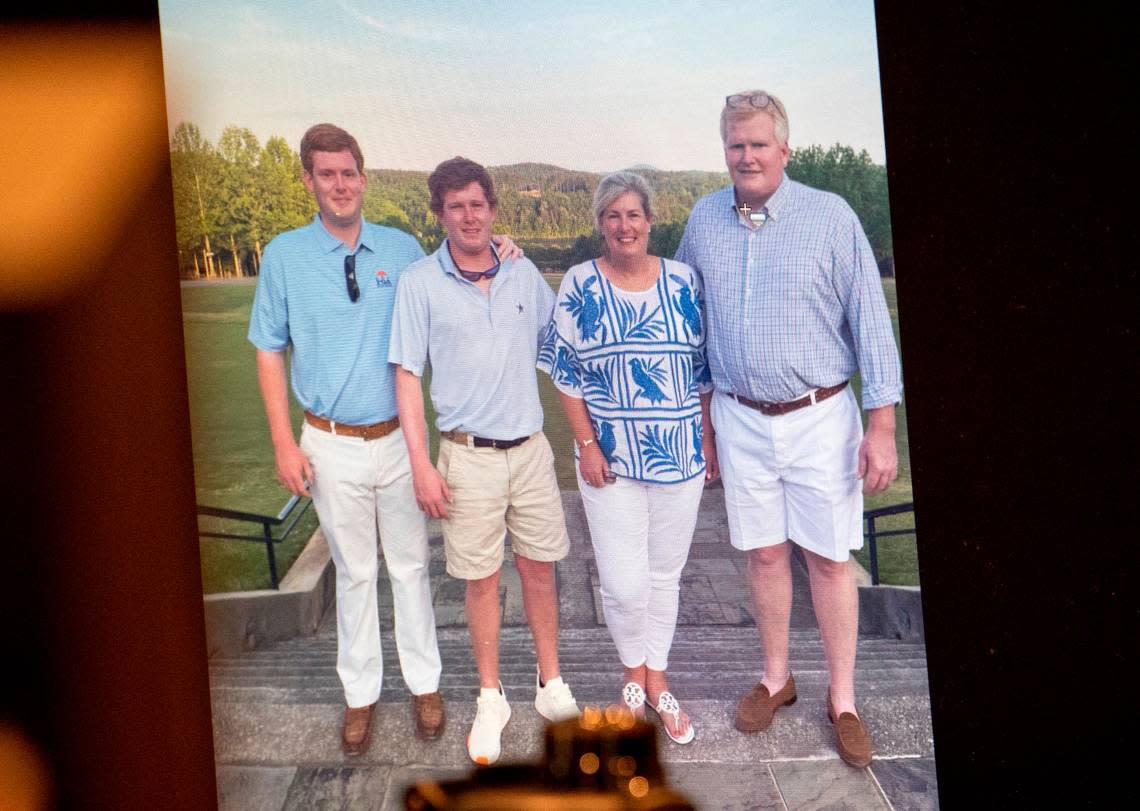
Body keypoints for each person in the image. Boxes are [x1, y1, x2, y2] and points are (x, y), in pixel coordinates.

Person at [247, 125, 521, 755]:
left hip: (400, 439)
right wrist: (283, 444)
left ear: (363, 178)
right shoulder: (285, 255)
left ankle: (425, 685)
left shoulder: (399, 249)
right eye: (326, 174)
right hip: (329, 441)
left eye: (349, 173)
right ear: (309, 180)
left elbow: (462, 259)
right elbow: (268, 351)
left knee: (410, 567)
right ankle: (360, 695)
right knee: (355, 572)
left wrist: (506, 247)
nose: (339, 185)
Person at [675, 91, 902, 768]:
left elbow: (870, 322)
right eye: (735, 145)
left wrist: (881, 424)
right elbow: (687, 315)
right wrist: (705, 419)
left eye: (758, 143)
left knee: (830, 559)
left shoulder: (830, 218)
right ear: (726, 152)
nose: (746, 156)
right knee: (765, 554)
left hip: (819, 417)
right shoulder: (705, 218)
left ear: (784, 149)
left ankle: (844, 697)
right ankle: (777, 678)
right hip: (739, 417)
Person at [390, 157, 580, 766]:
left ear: (493, 209)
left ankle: (550, 686)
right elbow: (406, 375)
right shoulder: (420, 282)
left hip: (529, 451)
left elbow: (564, 347)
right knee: (480, 581)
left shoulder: (524, 275)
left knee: (541, 569)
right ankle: (491, 695)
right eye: (455, 207)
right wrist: (421, 463)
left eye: (478, 204)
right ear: (440, 215)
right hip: (465, 456)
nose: (469, 216)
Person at [538, 172, 716, 745]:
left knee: (665, 577)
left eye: (633, 214)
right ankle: (630, 676)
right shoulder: (581, 283)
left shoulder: (685, 281)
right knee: (621, 583)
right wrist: (587, 445)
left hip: (680, 457)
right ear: (600, 224)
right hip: (608, 464)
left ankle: (654, 681)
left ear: (649, 219)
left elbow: (703, 370)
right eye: (612, 216)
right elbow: (566, 373)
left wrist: (708, 440)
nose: (624, 225)